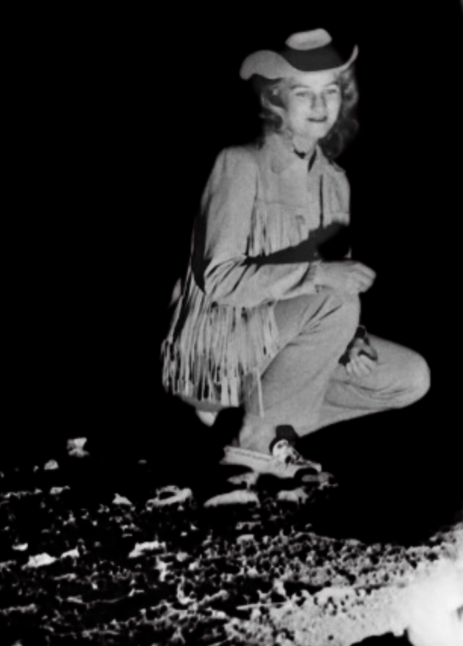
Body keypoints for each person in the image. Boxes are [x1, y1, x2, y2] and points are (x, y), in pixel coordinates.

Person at [159, 29, 430, 477]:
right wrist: (317, 279)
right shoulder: (239, 163)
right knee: (335, 296)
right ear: (275, 100)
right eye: (303, 93)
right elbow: (219, 280)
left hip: (282, 341)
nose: (320, 106)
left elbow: (330, 287)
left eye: (330, 92)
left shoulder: (335, 181)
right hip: (214, 345)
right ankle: (255, 446)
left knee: (409, 377)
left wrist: (353, 337)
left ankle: (273, 429)